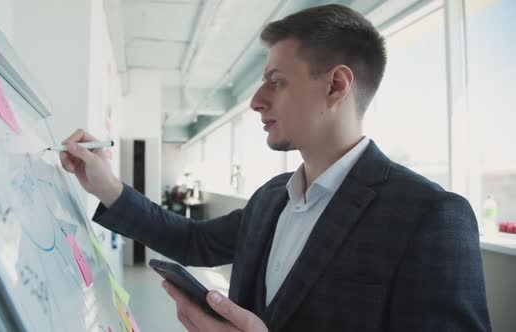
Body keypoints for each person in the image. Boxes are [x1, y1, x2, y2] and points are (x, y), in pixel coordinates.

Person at [60, 4, 491, 332]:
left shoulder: (430, 216)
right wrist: (108, 187)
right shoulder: (272, 197)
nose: (255, 100)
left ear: (336, 85)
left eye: (276, 81)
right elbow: (193, 241)